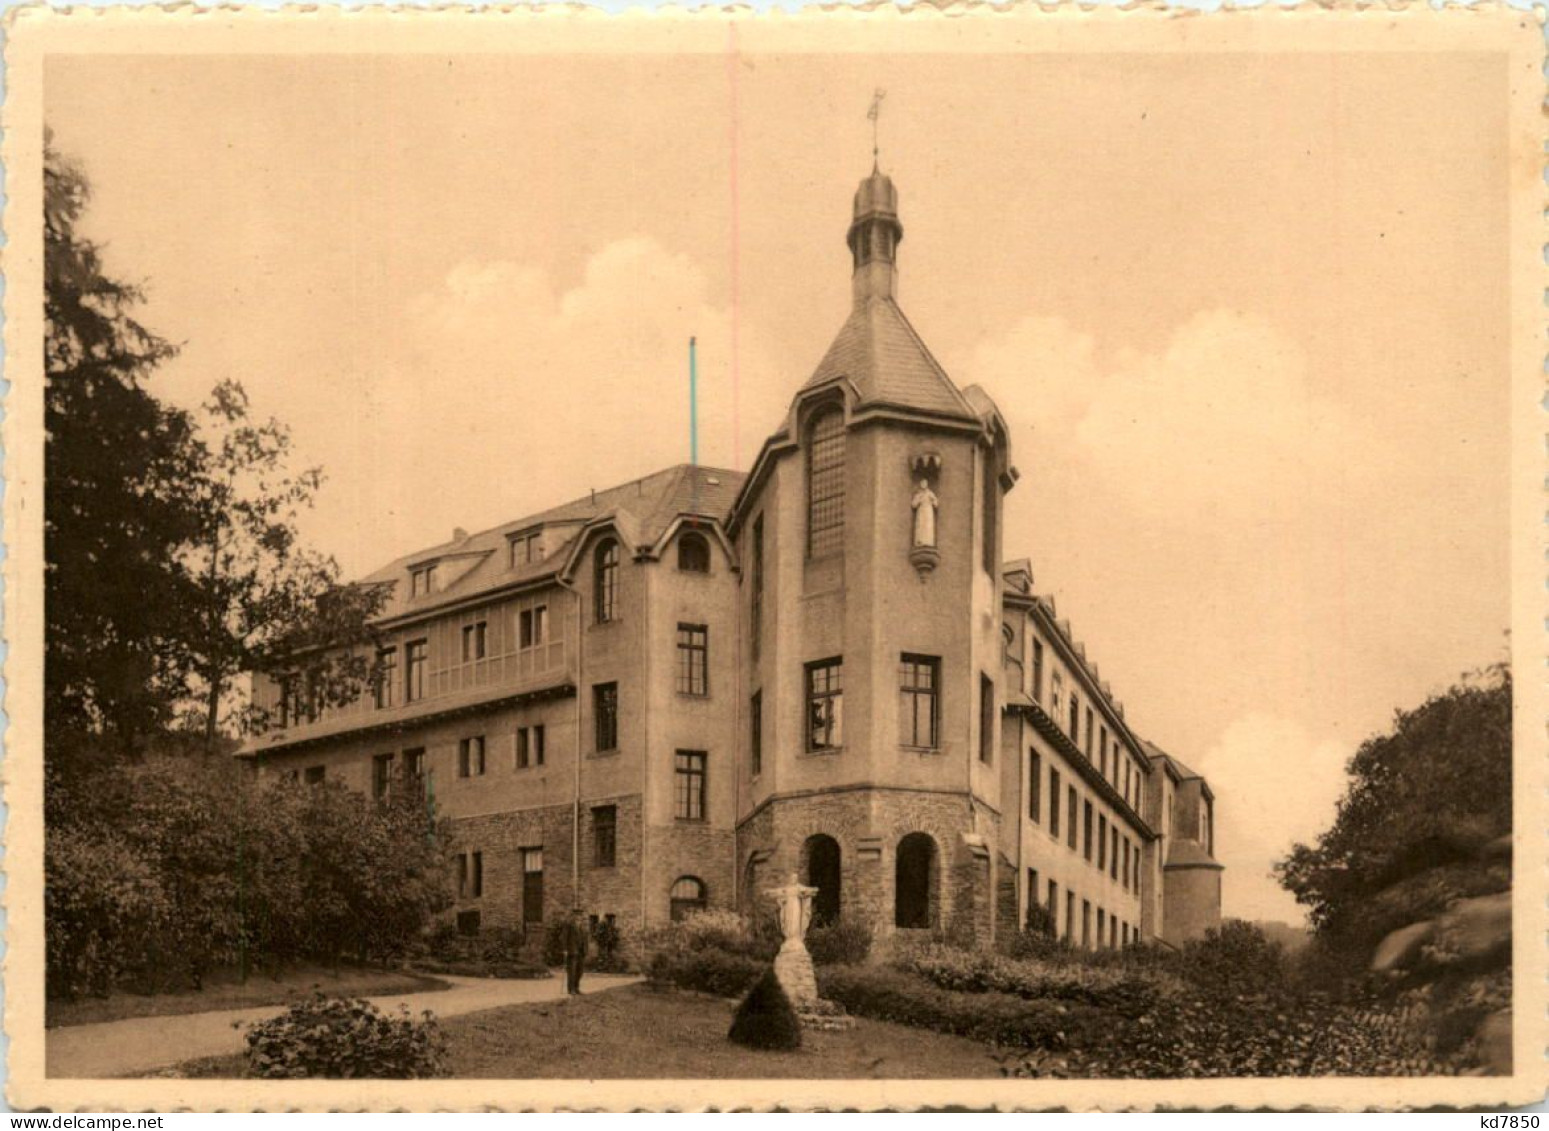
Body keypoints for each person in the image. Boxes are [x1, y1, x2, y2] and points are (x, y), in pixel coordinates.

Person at [562, 908, 590, 996]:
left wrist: (586, 949)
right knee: (572, 971)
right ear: (573, 916)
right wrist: (565, 949)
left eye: (580, 915)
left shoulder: (583, 925)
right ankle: (571, 989)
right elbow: (563, 937)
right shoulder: (569, 925)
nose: (579, 917)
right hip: (572, 951)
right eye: (577, 915)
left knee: (580, 971)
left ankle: (577, 988)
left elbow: (585, 939)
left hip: (581, 951)